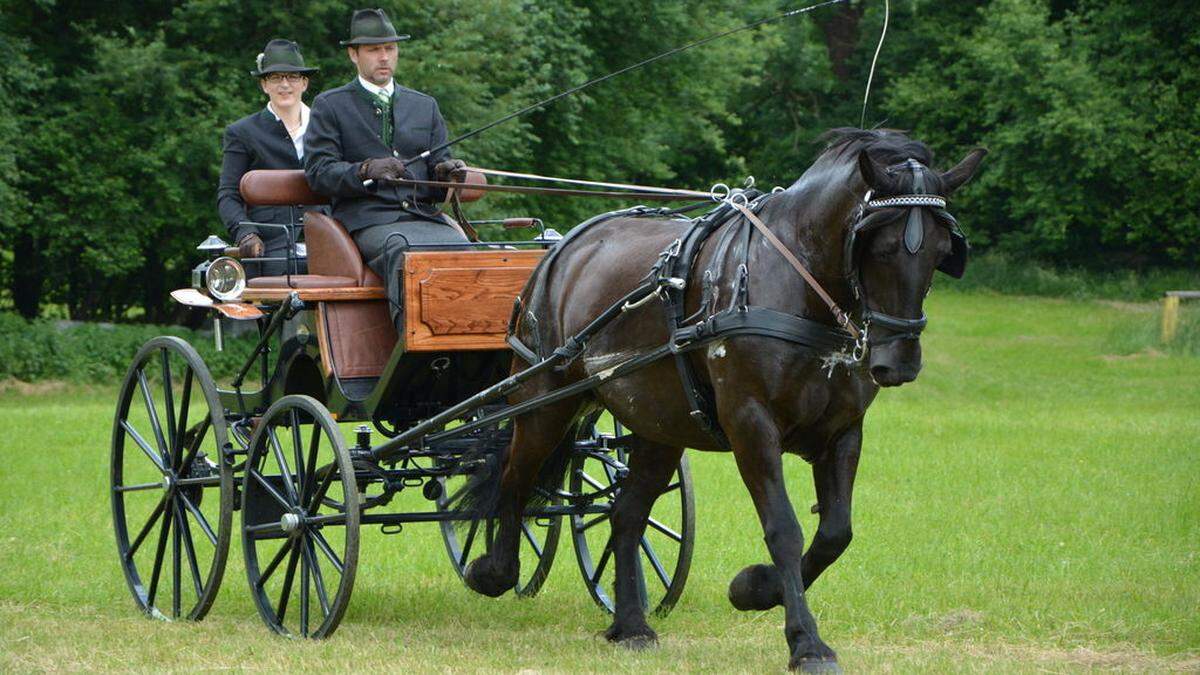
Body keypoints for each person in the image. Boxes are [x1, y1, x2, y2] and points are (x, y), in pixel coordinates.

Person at [304, 8, 468, 330]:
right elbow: (318, 173)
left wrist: (447, 172)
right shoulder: (330, 105)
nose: (383, 57)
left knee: (466, 251)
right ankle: (414, 347)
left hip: (424, 217)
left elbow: (438, 165)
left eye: (389, 49)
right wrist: (365, 169)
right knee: (405, 251)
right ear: (354, 54)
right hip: (367, 221)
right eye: (374, 50)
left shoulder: (425, 105)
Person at [217, 39, 320, 277]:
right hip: (270, 244)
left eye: (293, 77)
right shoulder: (242, 132)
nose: (285, 84)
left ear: (304, 83)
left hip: (328, 238)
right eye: (275, 77)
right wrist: (247, 233)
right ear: (264, 84)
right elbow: (228, 194)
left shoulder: (327, 127)